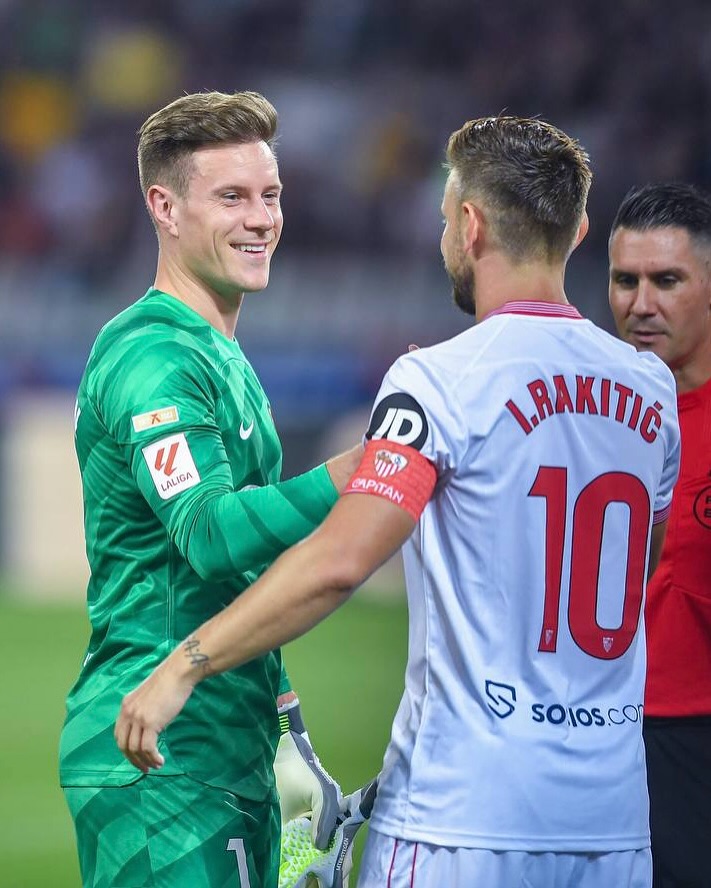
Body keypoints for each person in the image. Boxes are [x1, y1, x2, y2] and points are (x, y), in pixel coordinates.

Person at [115, 116, 681, 888]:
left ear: (470, 226)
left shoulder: (439, 381)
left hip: (459, 820)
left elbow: (339, 562)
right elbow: (634, 570)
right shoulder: (649, 389)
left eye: (446, 220)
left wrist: (187, 663)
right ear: (579, 231)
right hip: (609, 825)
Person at [59, 90, 362, 888]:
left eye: (270, 195)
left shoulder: (217, 351)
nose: (260, 219)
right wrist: (358, 468)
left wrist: (284, 722)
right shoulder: (153, 358)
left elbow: (239, 575)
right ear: (164, 207)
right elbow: (212, 535)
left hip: (222, 748)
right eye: (231, 197)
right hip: (157, 760)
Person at [608, 183, 711, 888]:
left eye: (666, 281)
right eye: (625, 280)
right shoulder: (590, 417)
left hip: (694, 741)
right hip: (597, 737)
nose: (641, 304)